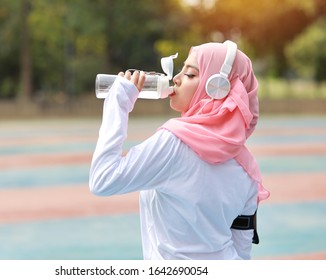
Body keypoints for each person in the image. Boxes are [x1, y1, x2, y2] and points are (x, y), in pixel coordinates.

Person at [89, 40, 270, 260]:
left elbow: (102, 179)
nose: (175, 79)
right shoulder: (247, 165)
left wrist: (118, 103)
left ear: (216, 87)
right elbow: (242, 248)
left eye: (191, 75)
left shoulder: (173, 143)